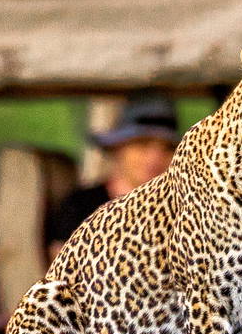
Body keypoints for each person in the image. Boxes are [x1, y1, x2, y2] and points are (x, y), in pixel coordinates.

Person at [46, 95, 181, 257]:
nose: (155, 157)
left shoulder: (182, 210)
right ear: (118, 148)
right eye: (142, 143)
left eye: (167, 148)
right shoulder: (79, 206)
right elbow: (61, 271)